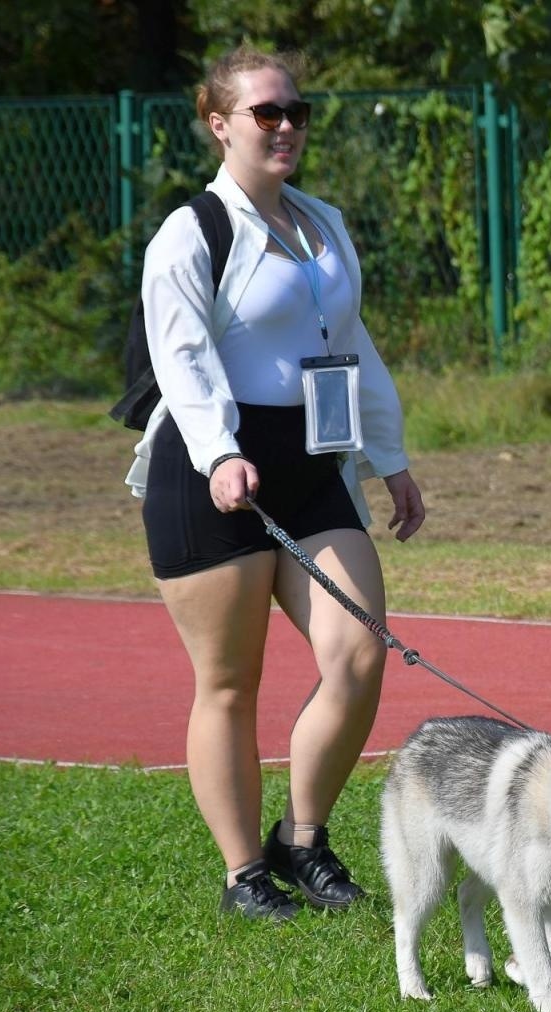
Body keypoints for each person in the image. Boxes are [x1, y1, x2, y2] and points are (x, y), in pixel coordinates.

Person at [124, 45, 426, 921]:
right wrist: (220, 453)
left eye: (296, 111)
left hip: (312, 463)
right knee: (229, 682)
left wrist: (389, 456)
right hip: (210, 469)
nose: (287, 126)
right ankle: (242, 873)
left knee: (360, 651)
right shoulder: (192, 231)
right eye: (267, 113)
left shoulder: (322, 221)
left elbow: (352, 345)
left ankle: (303, 838)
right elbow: (181, 359)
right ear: (219, 124)